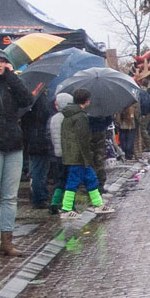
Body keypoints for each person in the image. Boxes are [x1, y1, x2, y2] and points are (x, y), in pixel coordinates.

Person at [0, 48, 33, 257]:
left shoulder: (9, 83)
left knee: (10, 196)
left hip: (14, 144)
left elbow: (26, 100)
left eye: (2, 61)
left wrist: (11, 76)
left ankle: (7, 241)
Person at [59, 88, 115, 218]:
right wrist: (87, 158)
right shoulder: (81, 117)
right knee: (73, 182)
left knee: (91, 179)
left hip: (73, 154)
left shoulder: (69, 114)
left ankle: (98, 205)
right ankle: (66, 209)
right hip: (79, 156)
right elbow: (83, 139)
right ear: (87, 100)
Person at [20, 87, 54, 209]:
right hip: (39, 139)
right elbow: (42, 116)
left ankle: (39, 196)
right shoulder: (37, 99)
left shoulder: (32, 98)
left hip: (34, 138)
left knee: (38, 169)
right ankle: (39, 198)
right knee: (39, 170)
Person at [48, 92, 73, 214]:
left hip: (57, 154)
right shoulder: (70, 118)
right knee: (70, 180)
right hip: (70, 154)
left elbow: (49, 135)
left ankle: (54, 202)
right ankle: (69, 205)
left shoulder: (53, 119)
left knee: (60, 179)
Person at [138, 86, 150, 155]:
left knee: (142, 129)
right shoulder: (144, 92)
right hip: (147, 113)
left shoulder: (140, 93)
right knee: (143, 129)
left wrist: (143, 113)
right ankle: (146, 145)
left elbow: (143, 103)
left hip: (144, 114)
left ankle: (148, 146)